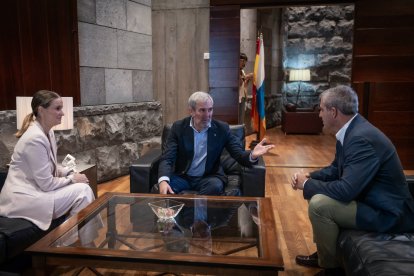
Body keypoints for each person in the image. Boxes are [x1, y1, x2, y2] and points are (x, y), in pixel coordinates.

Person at [291, 85, 414, 276]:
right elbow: (335, 168)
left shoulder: (360, 138)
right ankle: (325, 252)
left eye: (321, 109)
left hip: (387, 214)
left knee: (319, 204)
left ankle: (331, 269)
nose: (319, 114)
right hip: (370, 201)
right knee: (317, 192)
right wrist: (311, 176)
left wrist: (306, 185)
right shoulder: (353, 129)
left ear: (333, 112)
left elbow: (346, 190)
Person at [0, 90, 98, 245]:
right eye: (57, 108)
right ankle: (76, 244)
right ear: (41, 110)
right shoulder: (34, 138)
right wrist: (72, 179)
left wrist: (69, 172)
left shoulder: (48, 133)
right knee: (83, 191)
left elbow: (51, 166)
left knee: (82, 189)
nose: (63, 113)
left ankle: (71, 242)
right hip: (23, 200)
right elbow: (46, 184)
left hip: (38, 192)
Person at [157, 91, 274, 195]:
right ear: (191, 111)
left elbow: (238, 154)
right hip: (183, 176)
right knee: (167, 189)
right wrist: (163, 181)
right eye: (202, 110)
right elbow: (168, 158)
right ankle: (186, 218)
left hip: (209, 177)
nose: (207, 115)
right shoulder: (178, 128)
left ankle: (198, 219)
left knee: (214, 187)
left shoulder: (221, 129)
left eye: (210, 109)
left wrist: (252, 155)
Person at [239, 53, 253, 124]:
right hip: (237, 98)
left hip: (243, 97)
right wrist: (246, 77)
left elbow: (244, 85)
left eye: (245, 62)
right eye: (243, 61)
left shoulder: (243, 71)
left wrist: (248, 80)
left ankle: (240, 133)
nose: (244, 64)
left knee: (241, 118)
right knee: (237, 118)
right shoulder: (234, 70)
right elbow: (239, 82)